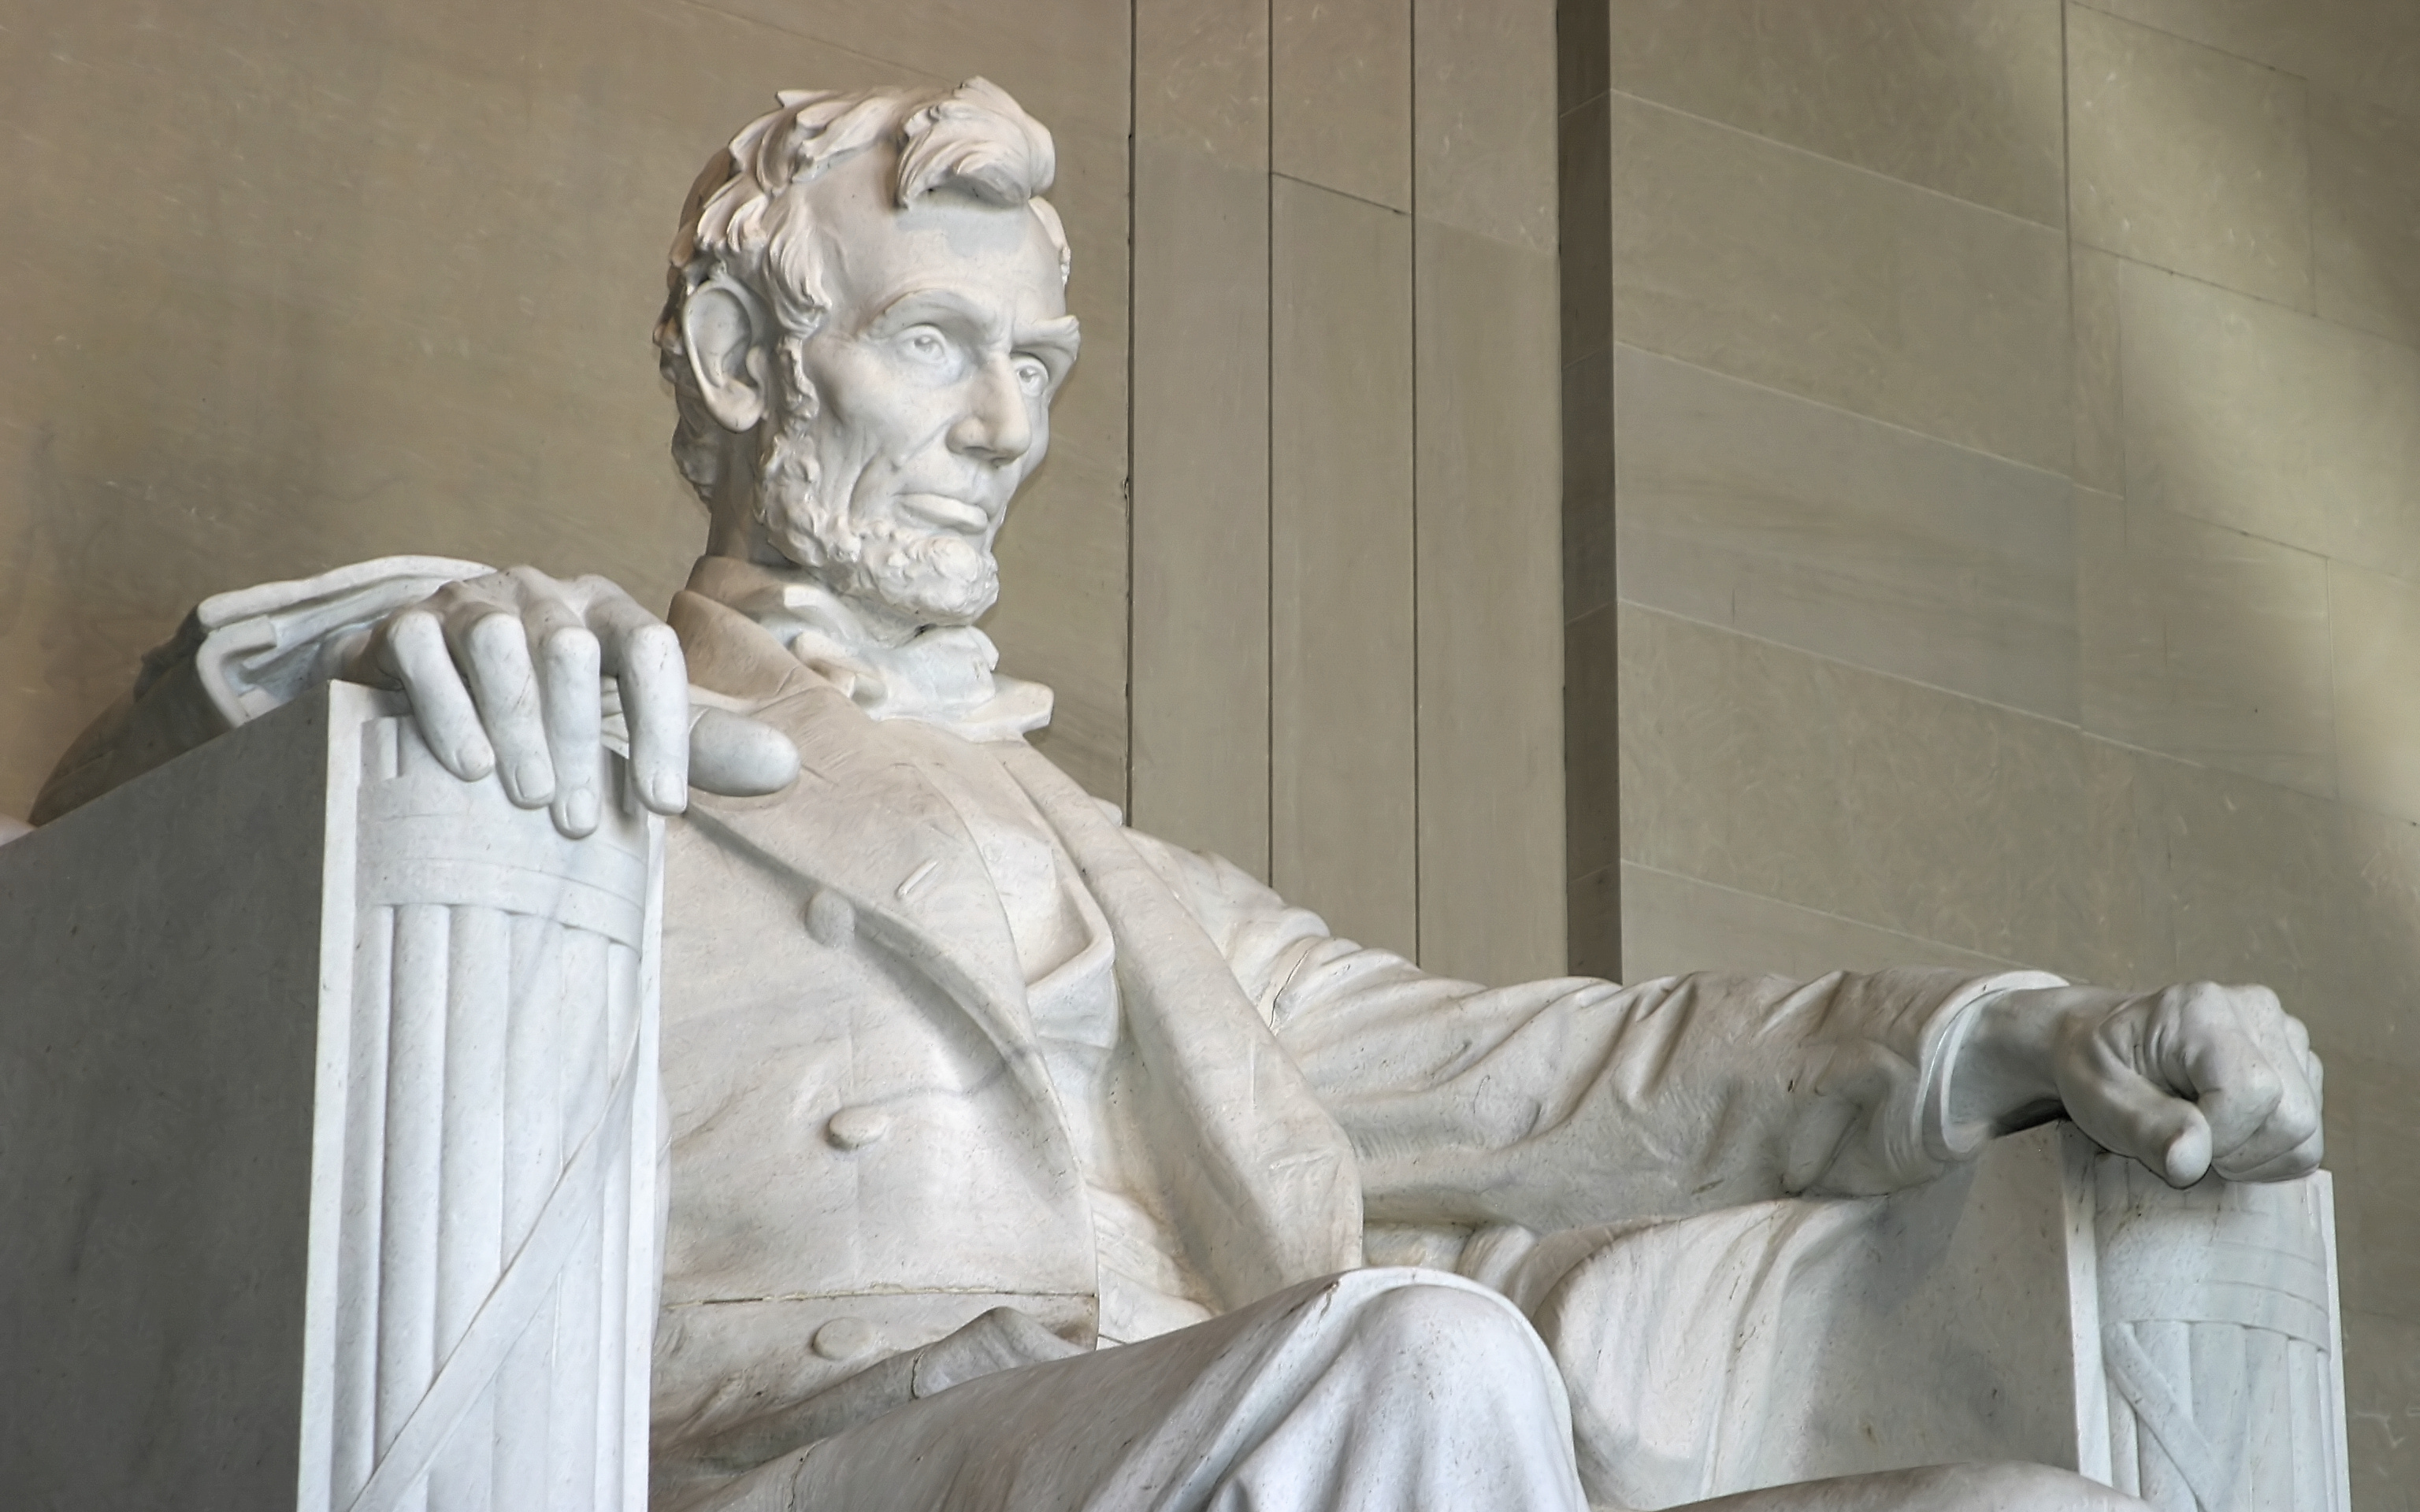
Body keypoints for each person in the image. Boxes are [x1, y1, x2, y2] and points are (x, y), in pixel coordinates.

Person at [39, 80, 2321, 1512]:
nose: (1005, 421)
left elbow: (1567, 1070)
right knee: (1423, 1373)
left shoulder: (1133, 885)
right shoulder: (558, 719)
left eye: (1036, 361)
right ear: (749, 364)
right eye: (933, 342)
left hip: (1207, 1433)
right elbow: (98, 888)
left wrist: (2021, 1039)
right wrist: (368, 662)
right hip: (802, 1463)